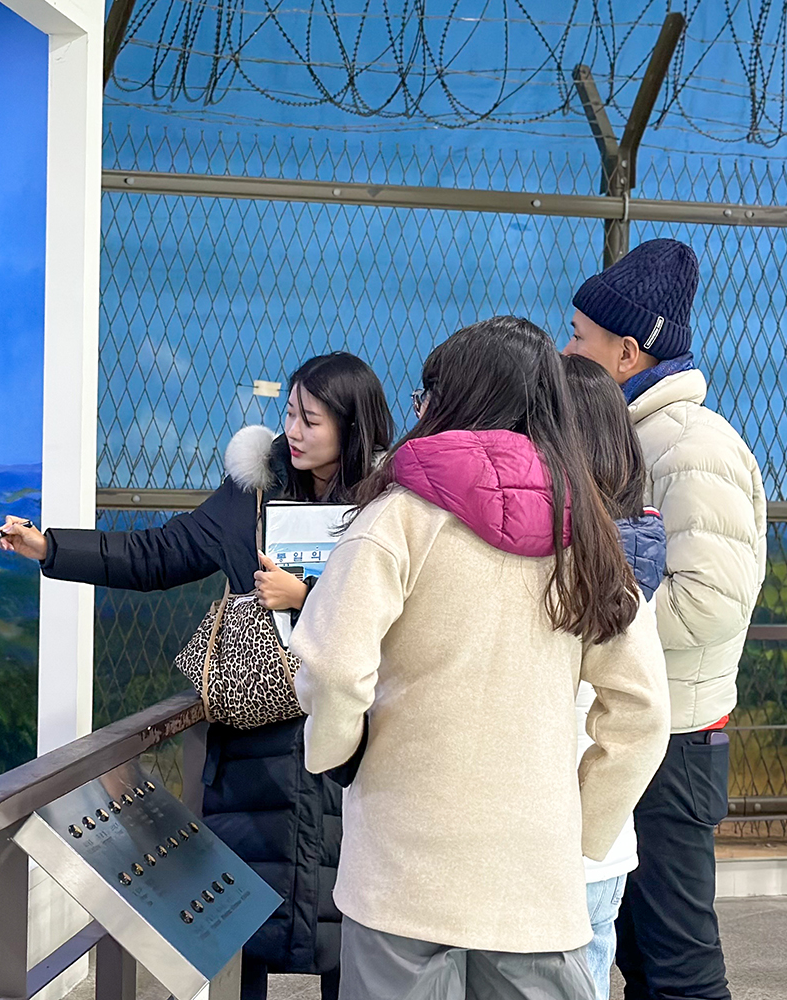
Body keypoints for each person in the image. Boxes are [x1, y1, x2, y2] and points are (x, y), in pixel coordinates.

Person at [0, 352, 395, 1000]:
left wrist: (306, 595)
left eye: (311, 420)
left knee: (349, 939)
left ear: (353, 427)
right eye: (289, 412)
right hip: (254, 752)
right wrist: (50, 548)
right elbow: (158, 553)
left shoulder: (391, 507)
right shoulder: (251, 492)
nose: (292, 430)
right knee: (245, 933)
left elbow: (407, 614)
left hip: (353, 746)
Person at [291, 316, 670, 1000]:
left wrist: (337, 754)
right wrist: (582, 829)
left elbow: (332, 666)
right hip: (531, 873)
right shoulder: (586, 529)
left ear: (453, 399)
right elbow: (643, 712)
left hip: (400, 864)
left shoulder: (397, 516)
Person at [563, 238, 767, 1000]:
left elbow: (711, 601)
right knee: (642, 954)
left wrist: (595, 628)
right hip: (642, 722)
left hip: (673, 735)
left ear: (626, 351)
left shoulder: (690, 446)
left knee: (676, 960)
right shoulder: (637, 435)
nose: (566, 348)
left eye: (579, 336)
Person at [563, 354, 670, 1000]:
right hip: (603, 843)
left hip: (565, 838)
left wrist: (574, 835)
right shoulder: (633, 542)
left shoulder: (588, 559)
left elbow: (639, 715)